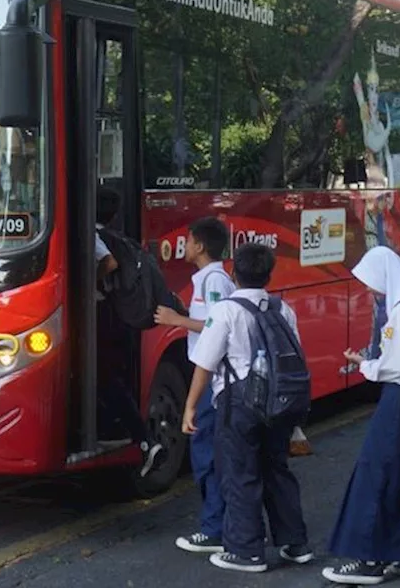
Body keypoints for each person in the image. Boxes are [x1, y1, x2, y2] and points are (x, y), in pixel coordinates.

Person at [184, 242, 311, 574]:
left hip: (238, 403)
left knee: (240, 473)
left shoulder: (225, 311)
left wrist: (190, 407)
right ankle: (294, 543)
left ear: (233, 273)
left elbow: (205, 364)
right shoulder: (283, 308)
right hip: (280, 402)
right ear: (268, 274)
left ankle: (246, 551)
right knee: (277, 470)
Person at [324, 246, 400, 585]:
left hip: (398, 398)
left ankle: (368, 558)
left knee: (377, 474)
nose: (369, 290)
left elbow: (397, 365)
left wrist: (366, 365)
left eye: (371, 283)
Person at [154, 216, 235, 554]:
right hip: (212, 380)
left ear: (200, 246)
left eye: (187, 241)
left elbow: (217, 326)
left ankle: (215, 528)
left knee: (206, 455)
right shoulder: (208, 278)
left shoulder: (213, 280)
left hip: (215, 384)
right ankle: (218, 525)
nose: (183, 246)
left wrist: (177, 320)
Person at [94, 186, 162, 476]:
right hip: (117, 315)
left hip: (102, 315)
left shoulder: (94, 235)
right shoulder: (115, 234)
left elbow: (109, 263)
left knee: (106, 377)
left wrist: (90, 281)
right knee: (111, 376)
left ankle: (144, 440)